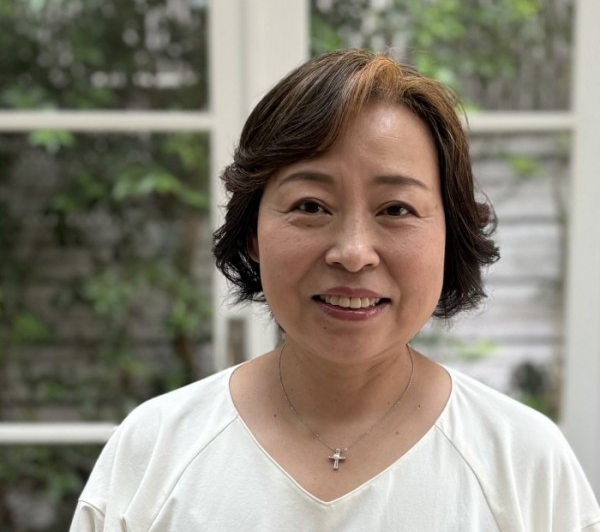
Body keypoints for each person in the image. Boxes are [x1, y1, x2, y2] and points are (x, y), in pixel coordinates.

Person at [70, 49, 600, 531]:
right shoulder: (154, 451)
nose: (352, 252)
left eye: (396, 209)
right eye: (310, 206)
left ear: (449, 235)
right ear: (252, 232)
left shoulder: (525, 464)